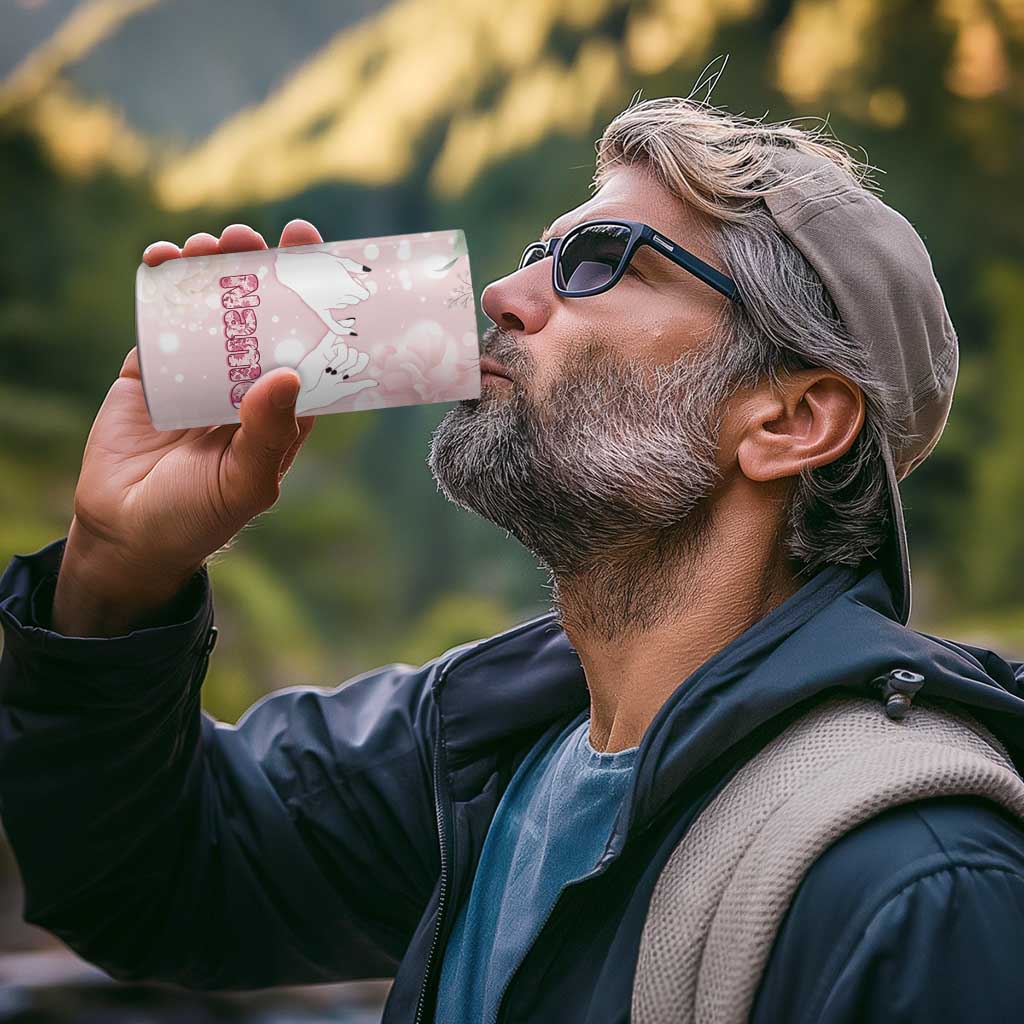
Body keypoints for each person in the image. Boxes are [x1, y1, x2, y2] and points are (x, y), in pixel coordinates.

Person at [2, 95, 1024, 1024]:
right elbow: (149, 880)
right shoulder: (480, 749)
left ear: (791, 419)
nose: (503, 291)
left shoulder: (918, 884)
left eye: (600, 261)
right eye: (540, 252)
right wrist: (116, 572)